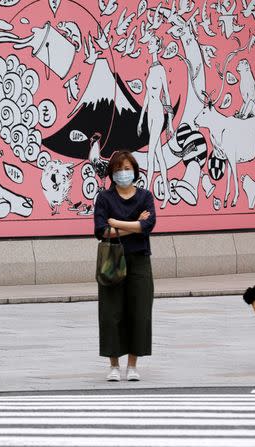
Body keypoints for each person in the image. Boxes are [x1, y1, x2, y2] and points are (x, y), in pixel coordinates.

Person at [93, 151, 156, 382]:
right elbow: (101, 231)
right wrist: (134, 225)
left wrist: (116, 223)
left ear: (135, 171)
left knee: (139, 312)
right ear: (112, 173)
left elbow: (148, 225)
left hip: (139, 260)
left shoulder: (145, 196)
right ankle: (113, 365)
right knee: (111, 312)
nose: (123, 173)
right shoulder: (104, 198)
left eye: (127, 168)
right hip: (112, 259)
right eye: (119, 169)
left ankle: (132, 365)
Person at [137, 35, 174, 208]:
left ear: (157, 47)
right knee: (159, 155)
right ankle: (167, 193)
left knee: (150, 154)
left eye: (152, 43)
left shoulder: (160, 70)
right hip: (150, 112)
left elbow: (166, 93)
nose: (149, 45)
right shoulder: (151, 70)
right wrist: (140, 119)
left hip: (159, 112)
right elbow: (146, 96)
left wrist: (171, 122)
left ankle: (145, 196)